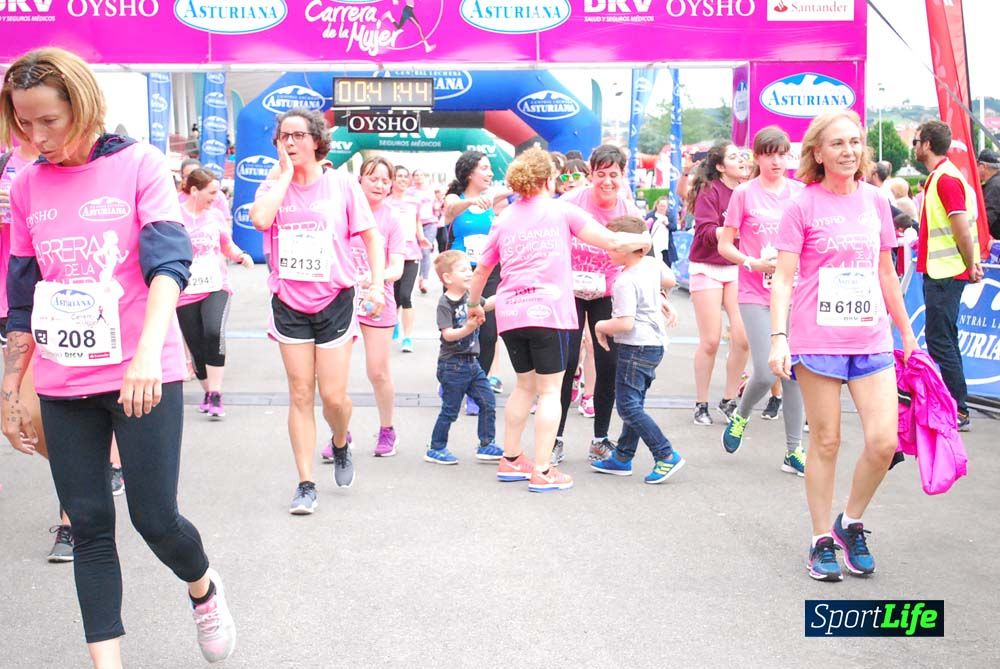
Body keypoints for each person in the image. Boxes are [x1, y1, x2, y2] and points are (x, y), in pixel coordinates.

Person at [1, 47, 236, 665]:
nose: (37, 136)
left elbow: (168, 266)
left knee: (155, 519)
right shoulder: (26, 185)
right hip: (63, 378)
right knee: (87, 524)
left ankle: (203, 588)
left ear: (82, 107)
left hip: (142, 374)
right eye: (25, 122)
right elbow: (23, 301)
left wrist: (144, 358)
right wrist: (9, 392)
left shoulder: (141, 165)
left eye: (49, 119)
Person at [768, 110, 918, 582]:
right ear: (817, 152)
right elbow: (785, 278)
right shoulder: (801, 205)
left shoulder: (875, 202)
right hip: (818, 339)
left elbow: (886, 272)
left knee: (883, 441)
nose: (849, 151)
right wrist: (779, 338)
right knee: (827, 441)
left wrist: (907, 331)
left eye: (854, 142)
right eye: (837, 143)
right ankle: (819, 540)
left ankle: (849, 522)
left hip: (871, 336)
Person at [467, 147, 651, 493]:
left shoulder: (504, 218)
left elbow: (483, 270)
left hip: (511, 312)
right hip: (549, 311)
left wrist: (474, 305)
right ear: (548, 179)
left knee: (524, 386)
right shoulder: (562, 211)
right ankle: (542, 468)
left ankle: (511, 458)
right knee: (550, 390)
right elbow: (610, 240)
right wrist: (645, 238)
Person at [250, 107, 385, 515]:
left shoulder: (341, 184)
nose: (289, 143)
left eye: (297, 136)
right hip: (289, 301)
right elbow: (259, 220)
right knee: (300, 393)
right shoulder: (273, 186)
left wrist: (376, 283)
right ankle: (306, 482)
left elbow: (371, 237)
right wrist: (285, 178)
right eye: (283, 137)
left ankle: (341, 441)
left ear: (316, 141)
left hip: (334, 300)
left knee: (333, 396)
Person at [717, 126, 807, 475]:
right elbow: (726, 244)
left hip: (794, 292)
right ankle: (741, 413)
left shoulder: (800, 193)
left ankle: (793, 450)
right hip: (755, 292)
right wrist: (751, 261)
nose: (777, 161)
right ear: (757, 157)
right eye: (770, 154)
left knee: (793, 370)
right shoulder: (744, 194)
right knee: (765, 367)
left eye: (783, 154)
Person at [557, 144, 644, 463]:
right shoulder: (569, 203)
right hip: (569, 289)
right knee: (564, 365)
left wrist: (657, 295)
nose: (607, 181)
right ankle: (555, 437)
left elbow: (641, 255)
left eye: (614, 175)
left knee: (608, 365)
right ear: (590, 174)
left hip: (607, 291)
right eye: (601, 174)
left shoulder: (629, 212)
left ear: (623, 176)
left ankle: (600, 438)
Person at [590, 215, 685, 484]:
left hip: (635, 346)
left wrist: (600, 325)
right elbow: (668, 280)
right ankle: (622, 456)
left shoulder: (623, 281)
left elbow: (625, 322)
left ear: (625, 248)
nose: (607, 250)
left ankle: (665, 454)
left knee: (628, 407)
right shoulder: (652, 266)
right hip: (654, 346)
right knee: (635, 402)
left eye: (612, 245)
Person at [913, 120, 987, 432]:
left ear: (927, 144)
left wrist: (971, 264)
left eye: (916, 141)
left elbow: (960, 227)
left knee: (941, 340)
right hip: (943, 271)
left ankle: (957, 407)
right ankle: (954, 404)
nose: (914, 146)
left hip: (945, 272)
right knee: (944, 339)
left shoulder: (945, 180)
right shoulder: (942, 178)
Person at [338, 156, 406, 457]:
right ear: (360, 180)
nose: (379, 184)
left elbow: (397, 268)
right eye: (373, 178)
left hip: (378, 300)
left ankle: (387, 429)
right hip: (340, 300)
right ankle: (340, 434)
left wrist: (374, 279)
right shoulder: (344, 213)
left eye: (384, 179)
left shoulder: (392, 219)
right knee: (334, 373)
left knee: (377, 371)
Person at [176, 168, 254, 420]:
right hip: (186, 291)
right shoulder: (174, 216)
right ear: (195, 191)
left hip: (215, 285)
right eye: (211, 192)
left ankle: (217, 393)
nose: (216, 196)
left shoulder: (216, 216)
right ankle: (208, 393)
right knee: (196, 346)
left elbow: (226, 245)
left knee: (213, 331)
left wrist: (240, 255)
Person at [686, 141, 750, 425]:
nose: (742, 161)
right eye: (734, 157)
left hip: (737, 267)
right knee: (710, 341)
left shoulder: (751, 192)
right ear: (722, 166)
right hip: (707, 267)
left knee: (742, 337)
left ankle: (728, 398)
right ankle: (701, 403)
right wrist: (734, 228)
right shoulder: (709, 192)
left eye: (744, 156)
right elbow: (705, 231)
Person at [443, 150, 510, 404]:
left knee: (489, 333)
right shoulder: (455, 198)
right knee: (460, 331)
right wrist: (471, 202)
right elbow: (450, 208)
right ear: (469, 172)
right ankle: (452, 381)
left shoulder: (491, 197)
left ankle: (475, 388)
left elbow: (516, 186)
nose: (490, 172)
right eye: (484, 168)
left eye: (490, 168)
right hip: (460, 274)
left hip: (490, 272)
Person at [425, 250, 501, 464]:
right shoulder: (445, 303)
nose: (470, 273)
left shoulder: (471, 298)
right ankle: (436, 447)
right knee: (450, 410)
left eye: (470, 269)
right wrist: (468, 328)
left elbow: (489, 304)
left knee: (488, 401)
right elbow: (448, 334)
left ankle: (487, 444)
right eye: (463, 270)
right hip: (452, 364)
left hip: (472, 363)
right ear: (448, 278)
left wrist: (511, 292)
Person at [384, 164, 429, 353]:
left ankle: (408, 337)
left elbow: (417, 221)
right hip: (391, 254)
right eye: (399, 176)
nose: (402, 179)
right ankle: (393, 322)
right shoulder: (385, 203)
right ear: (392, 180)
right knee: (393, 296)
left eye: (405, 176)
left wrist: (421, 237)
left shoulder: (414, 201)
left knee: (405, 295)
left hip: (411, 253)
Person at [178, 157, 232, 230]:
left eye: (196, 173)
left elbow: (226, 223)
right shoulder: (176, 200)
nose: (193, 177)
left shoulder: (218, 201)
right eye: (188, 176)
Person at [645, 194, 678, 267]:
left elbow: (674, 228)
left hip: (666, 247)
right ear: (657, 205)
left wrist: (667, 224)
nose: (662, 208)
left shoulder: (670, 216)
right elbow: (645, 228)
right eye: (661, 205)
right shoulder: (651, 215)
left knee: (666, 266)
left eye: (664, 206)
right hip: (653, 246)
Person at [976, 148, 1000, 241]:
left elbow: (986, 219)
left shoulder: (994, 187)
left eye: (977, 165)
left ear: (983, 166)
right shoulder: (996, 182)